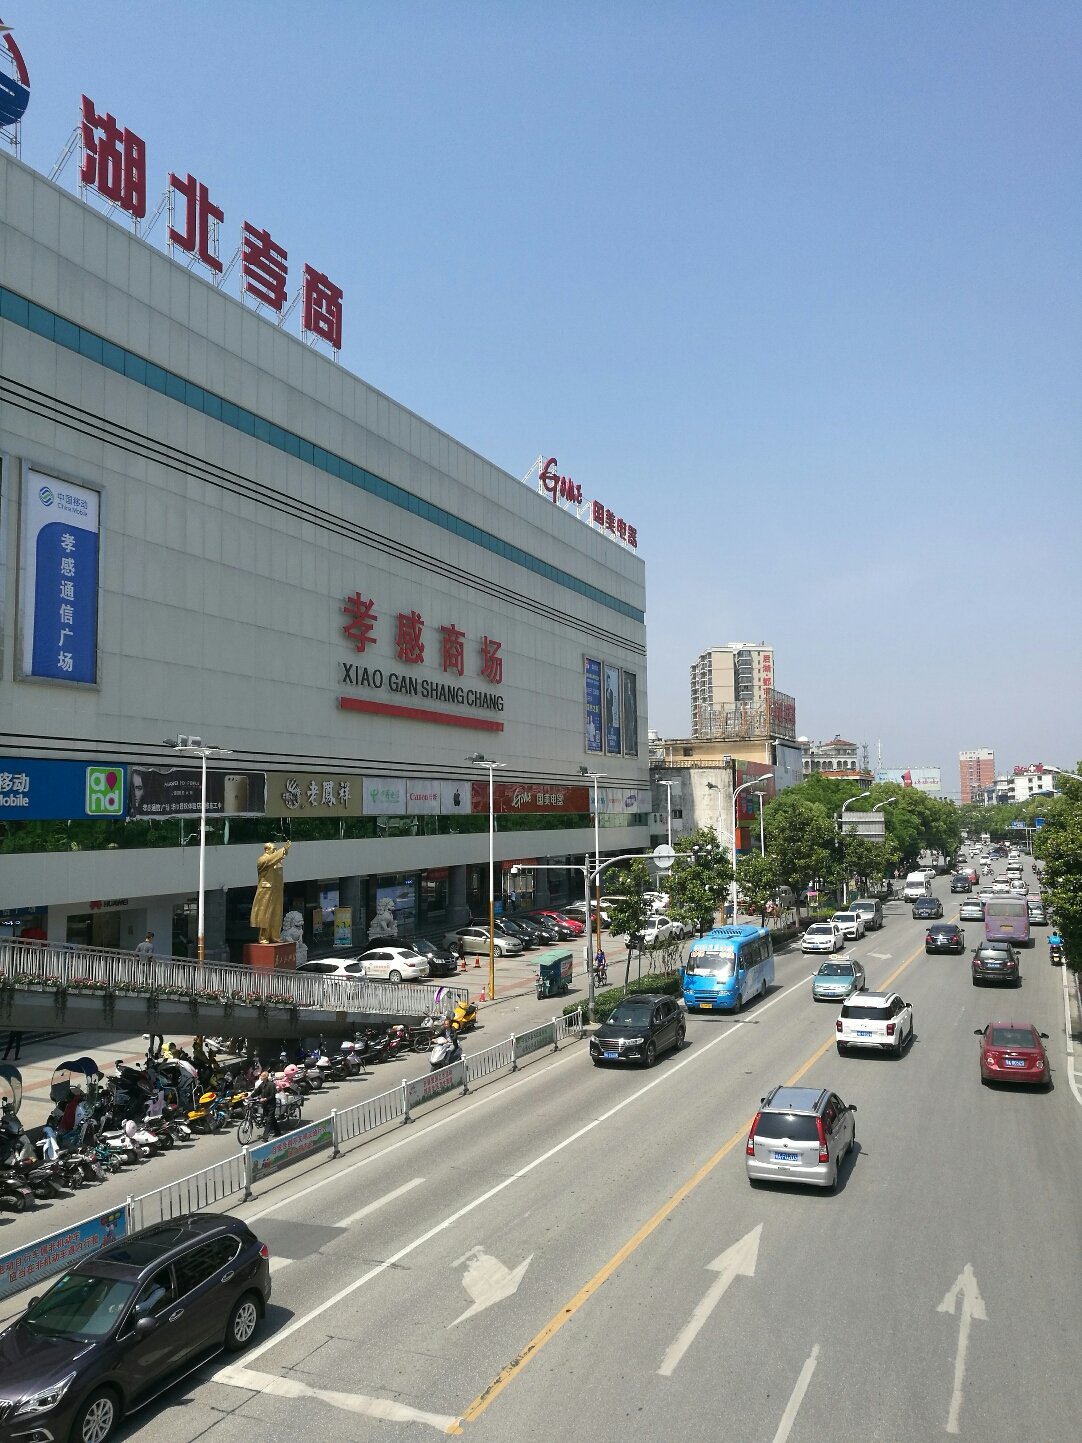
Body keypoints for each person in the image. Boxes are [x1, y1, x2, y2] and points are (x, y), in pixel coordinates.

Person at [250, 1069, 281, 1138]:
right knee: (272, 1119)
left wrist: (265, 1099)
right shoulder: (262, 1084)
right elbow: (256, 1092)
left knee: (269, 1120)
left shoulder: (271, 1085)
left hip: (271, 1105)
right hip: (265, 1105)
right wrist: (249, 1097)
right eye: (261, 1076)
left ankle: (265, 1137)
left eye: (262, 1076)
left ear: (266, 1077)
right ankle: (278, 1132)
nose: (261, 1077)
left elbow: (272, 1096)